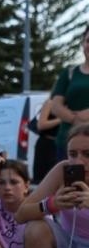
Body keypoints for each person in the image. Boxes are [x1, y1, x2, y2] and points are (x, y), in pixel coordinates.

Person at [50, 27, 89, 160]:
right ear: (83, 43)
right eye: (88, 41)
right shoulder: (69, 73)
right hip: (68, 142)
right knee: (67, 180)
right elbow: (55, 106)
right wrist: (76, 120)